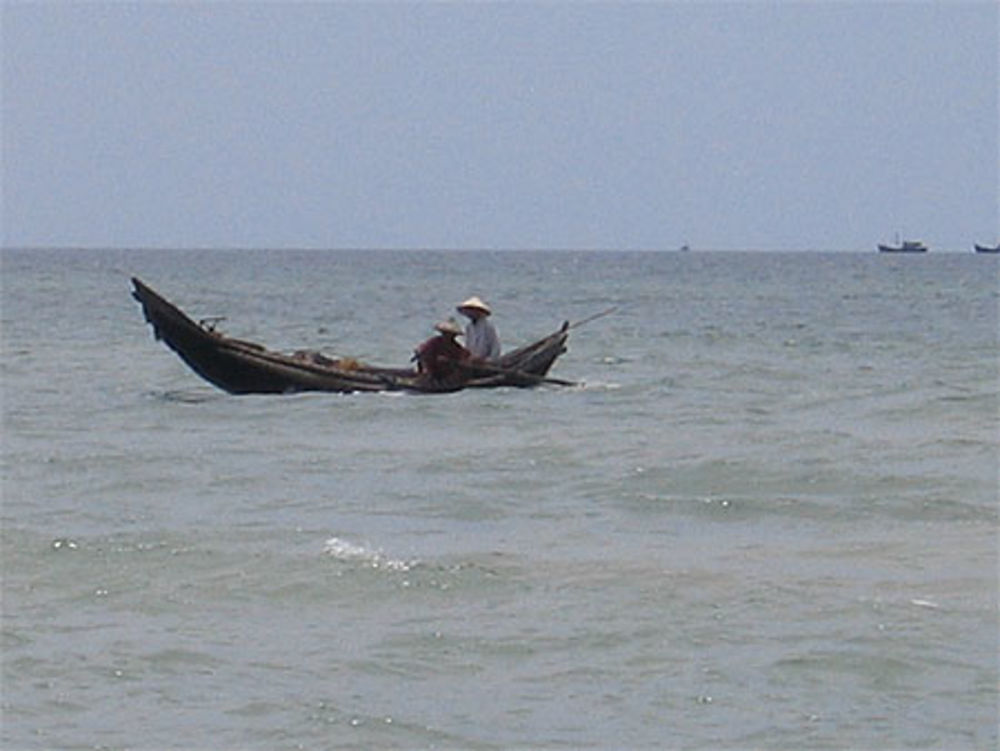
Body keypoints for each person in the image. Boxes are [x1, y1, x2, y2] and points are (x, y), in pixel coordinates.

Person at [412, 318, 470, 382]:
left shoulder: (456, 347)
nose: (447, 336)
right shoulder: (434, 342)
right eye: (445, 333)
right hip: (431, 370)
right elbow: (423, 351)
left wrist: (449, 361)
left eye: (450, 334)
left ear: (454, 336)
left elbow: (463, 359)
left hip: (446, 374)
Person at [456, 296, 500, 361]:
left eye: (472, 310)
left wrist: (488, 361)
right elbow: (467, 345)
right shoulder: (469, 327)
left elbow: (496, 348)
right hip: (472, 361)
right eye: (469, 310)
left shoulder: (488, 327)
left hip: (485, 361)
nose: (470, 313)